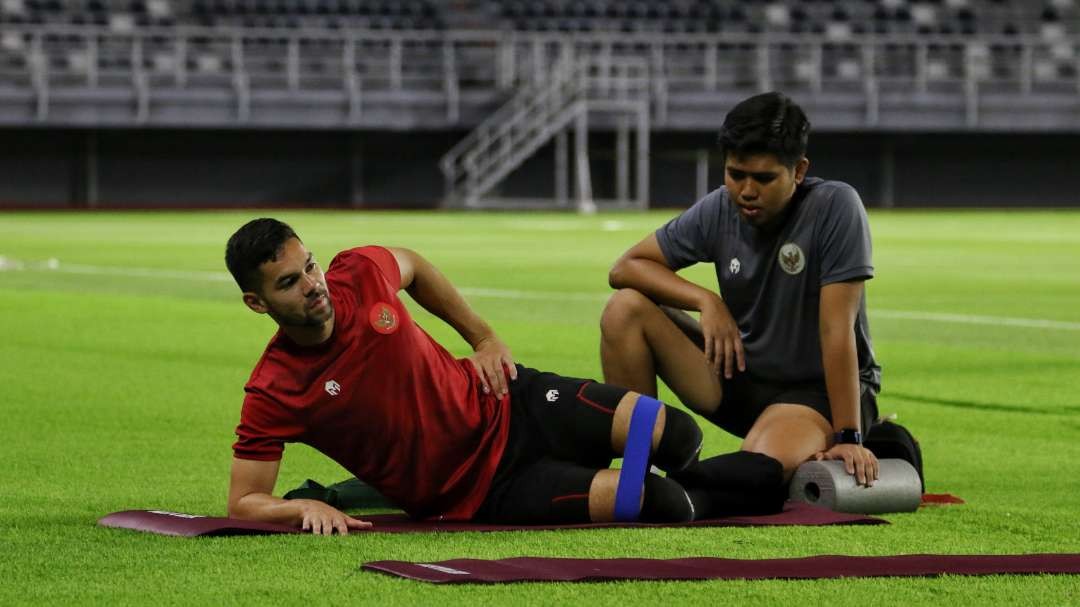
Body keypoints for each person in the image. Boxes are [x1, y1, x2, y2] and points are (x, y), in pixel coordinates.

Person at [223, 218, 709, 534]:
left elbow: (413, 265)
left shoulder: (359, 272)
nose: (313, 286)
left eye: (310, 267)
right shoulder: (274, 390)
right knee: (663, 502)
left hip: (511, 399)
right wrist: (302, 508)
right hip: (481, 490)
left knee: (679, 434)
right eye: (289, 282)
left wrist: (482, 339)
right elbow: (243, 501)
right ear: (256, 303)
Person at [599, 92, 882, 497]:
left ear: (799, 171)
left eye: (764, 179)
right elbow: (625, 269)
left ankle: (880, 437)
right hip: (742, 373)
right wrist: (705, 301)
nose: (746, 190)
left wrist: (849, 437)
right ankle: (639, 475)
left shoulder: (835, 207)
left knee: (755, 469)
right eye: (735, 174)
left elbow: (836, 332)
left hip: (815, 391)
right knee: (624, 309)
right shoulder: (720, 207)